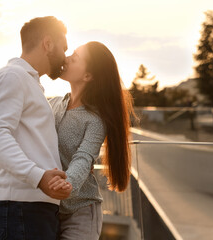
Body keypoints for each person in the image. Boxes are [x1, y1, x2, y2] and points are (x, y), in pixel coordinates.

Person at [0, 16, 72, 240]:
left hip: (32, 207)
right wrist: (39, 177)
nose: (65, 55)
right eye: (63, 47)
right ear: (47, 44)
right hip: (20, 207)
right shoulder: (11, 77)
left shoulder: (29, 83)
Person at [48, 41, 134, 239]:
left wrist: (67, 184)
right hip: (49, 208)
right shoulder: (52, 105)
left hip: (82, 212)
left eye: (75, 57)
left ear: (88, 76)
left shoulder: (94, 120)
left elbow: (84, 158)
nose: (66, 57)